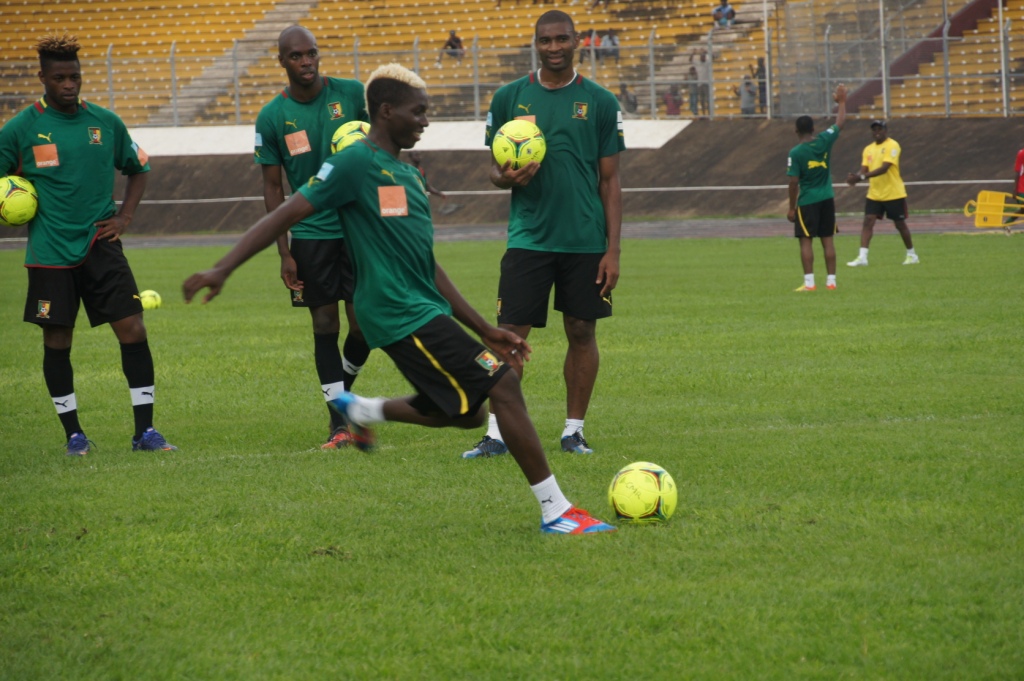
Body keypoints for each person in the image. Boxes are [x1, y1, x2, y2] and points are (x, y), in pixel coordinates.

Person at [183, 63, 616, 535]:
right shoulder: (354, 163)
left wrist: (484, 328)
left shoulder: (408, 174)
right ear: (386, 111)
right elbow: (285, 212)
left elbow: (426, 264)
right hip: (395, 311)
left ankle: (362, 409)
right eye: (418, 112)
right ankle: (556, 511)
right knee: (503, 384)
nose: (425, 121)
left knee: (467, 413)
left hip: (421, 307)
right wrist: (222, 268)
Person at [0, 32, 176, 456]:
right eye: (59, 78)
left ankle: (145, 432)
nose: (69, 85)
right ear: (42, 78)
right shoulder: (20, 129)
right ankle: (74, 436)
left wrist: (125, 216)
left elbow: (138, 167)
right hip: (50, 254)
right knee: (57, 341)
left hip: (101, 245)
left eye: (74, 77)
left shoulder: (105, 122)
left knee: (133, 329)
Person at [463, 9, 624, 459]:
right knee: (506, 335)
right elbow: (494, 170)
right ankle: (497, 434)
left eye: (561, 39)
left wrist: (613, 250)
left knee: (582, 331)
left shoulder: (601, 102)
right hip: (528, 239)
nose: (554, 47)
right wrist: (504, 179)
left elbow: (610, 181)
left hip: (585, 240)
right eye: (545, 40)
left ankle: (574, 432)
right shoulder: (508, 98)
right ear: (535, 44)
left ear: (577, 41)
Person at [255, 26, 372, 450]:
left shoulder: (352, 94)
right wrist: (283, 251)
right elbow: (273, 187)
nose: (306, 62)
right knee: (324, 323)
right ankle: (338, 422)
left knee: (365, 324)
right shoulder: (272, 116)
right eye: (296, 56)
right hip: (310, 232)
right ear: (282, 61)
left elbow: (385, 143)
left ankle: (343, 395)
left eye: (312, 53)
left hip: (358, 227)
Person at [786, 84, 847, 292]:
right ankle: (831, 282)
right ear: (813, 129)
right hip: (827, 198)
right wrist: (842, 102)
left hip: (808, 201)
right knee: (828, 240)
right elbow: (839, 123)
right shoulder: (824, 140)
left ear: (796, 131)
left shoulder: (796, 153)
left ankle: (810, 283)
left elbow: (793, 182)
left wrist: (792, 208)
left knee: (806, 241)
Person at [845, 120, 919, 266]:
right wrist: (855, 177)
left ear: (885, 130)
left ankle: (912, 254)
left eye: (880, 129)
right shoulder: (868, 149)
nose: (877, 132)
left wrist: (861, 177)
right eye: (874, 130)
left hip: (893, 193)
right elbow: (864, 169)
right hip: (875, 193)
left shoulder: (892, 145)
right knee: (868, 221)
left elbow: (884, 168)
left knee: (900, 224)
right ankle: (862, 257)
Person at [690, 50, 710, 116]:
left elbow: (712, 58)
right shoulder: (697, 63)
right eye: (702, 56)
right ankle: (704, 113)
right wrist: (693, 53)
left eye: (704, 56)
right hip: (700, 84)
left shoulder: (707, 63)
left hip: (706, 84)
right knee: (702, 100)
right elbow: (690, 60)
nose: (703, 58)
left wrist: (707, 52)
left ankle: (710, 113)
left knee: (708, 99)